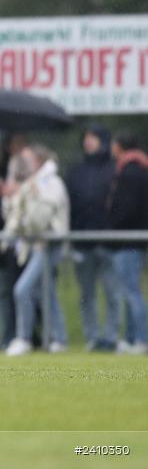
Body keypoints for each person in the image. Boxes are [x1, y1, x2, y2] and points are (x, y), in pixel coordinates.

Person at [4, 145, 69, 356]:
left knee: (22, 289)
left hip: (48, 245)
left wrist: (23, 222)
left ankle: (24, 338)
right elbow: (13, 214)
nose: (24, 164)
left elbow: (39, 219)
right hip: (35, 245)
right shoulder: (33, 184)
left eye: (28, 159)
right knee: (45, 292)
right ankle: (60, 338)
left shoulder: (51, 183)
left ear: (39, 160)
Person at [64, 125, 119, 352]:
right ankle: (92, 338)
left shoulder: (115, 169)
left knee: (112, 293)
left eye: (93, 138)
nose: (88, 142)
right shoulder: (76, 171)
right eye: (86, 137)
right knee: (87, 295)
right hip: (83, 244)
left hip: (109, 243)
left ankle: (112, 337)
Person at [107, 131, 148, 355]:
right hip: (137, 238)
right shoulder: (141, 168)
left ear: (120, 146)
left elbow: (125, 208)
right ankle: (133, 339)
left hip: (127, 239)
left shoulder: (129, 172)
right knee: (131, 291)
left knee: (132, 292)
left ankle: (141, 339)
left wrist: (112, 224)